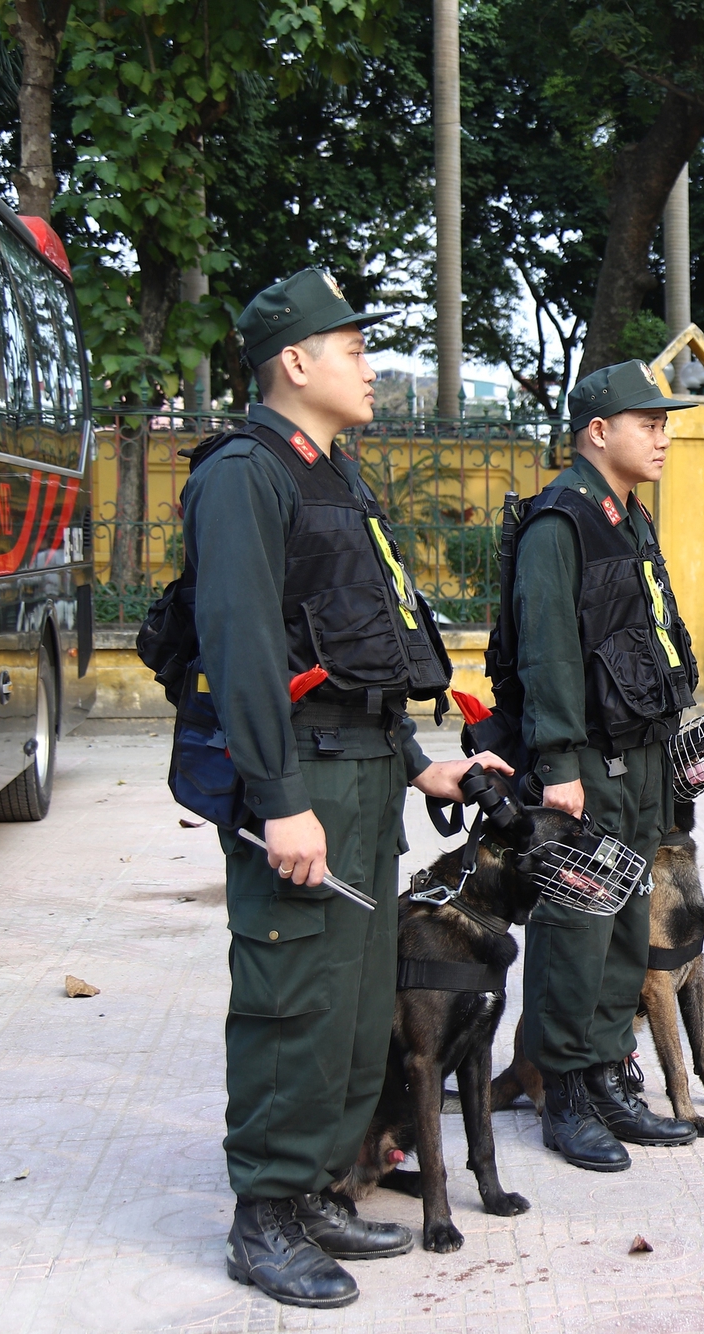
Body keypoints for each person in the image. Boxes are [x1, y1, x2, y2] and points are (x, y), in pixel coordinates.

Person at [186, 269, 511, 1308]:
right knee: (295, 997)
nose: (371, 369)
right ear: (295, 360)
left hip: (366, 772)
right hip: (304, 777)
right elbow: (239, 649)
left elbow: (367, 648)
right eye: (356, 349)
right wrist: (277, 796)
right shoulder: (245, 474)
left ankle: (325, 1183)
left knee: (355, 999)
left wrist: (425, 759)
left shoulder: (336, 472)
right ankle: (265, 1214)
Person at [505, 360, 703, 1171]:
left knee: (625, 927)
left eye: (664, 423)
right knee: (576, 928)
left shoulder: (628, 517)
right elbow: (548, 650)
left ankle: (607, 1070)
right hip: (585, 757)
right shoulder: (562, 521)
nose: (662, 435)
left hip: (641, 752)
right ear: (598, 431)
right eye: (647, 422)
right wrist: (556, 762)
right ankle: (565, 1091)